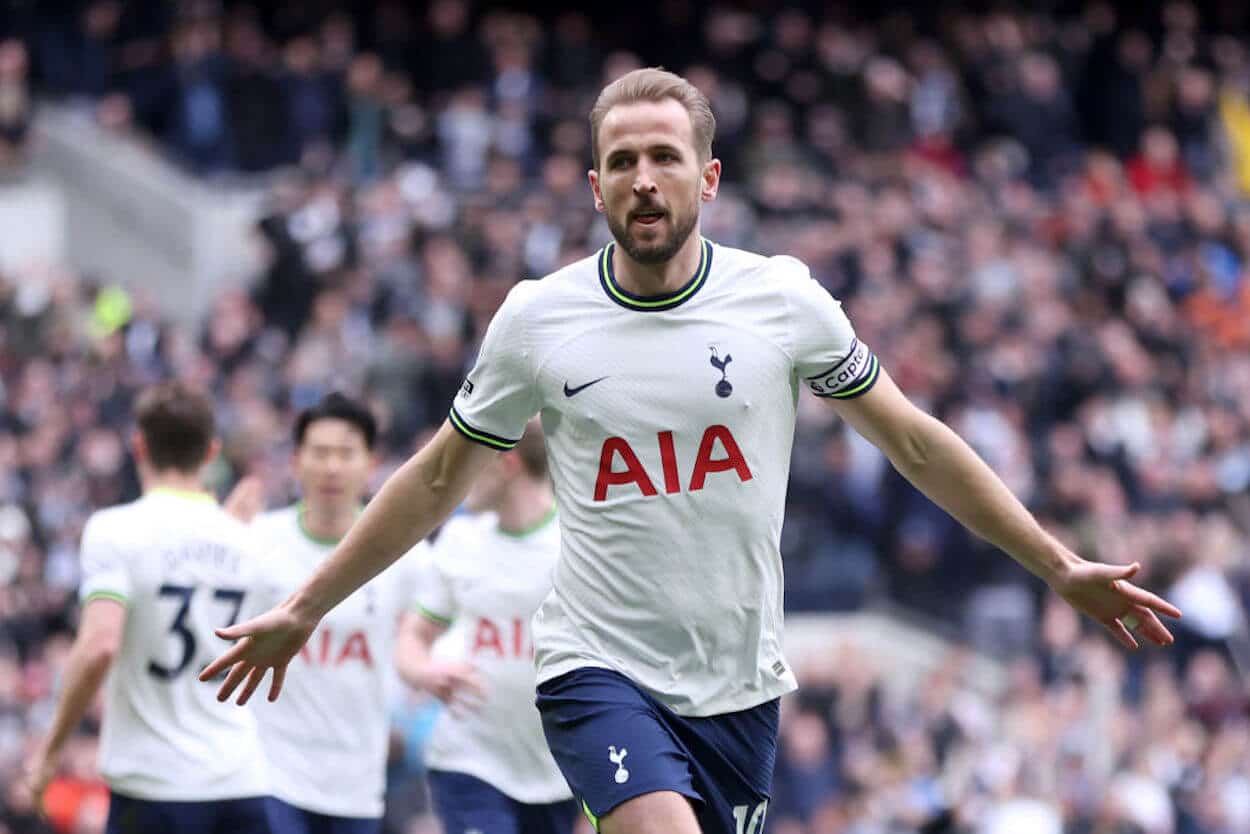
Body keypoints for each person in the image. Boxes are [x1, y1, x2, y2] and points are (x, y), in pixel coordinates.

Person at [203, 68, 1183, 834]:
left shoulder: (782, 302)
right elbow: (430, 482)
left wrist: (1055, 565)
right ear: (592, 186)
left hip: (740, 684)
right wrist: (305, 604)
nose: (642, 178)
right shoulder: (538, 320)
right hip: (596, 667)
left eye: (664, 157)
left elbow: (916, 446)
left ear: (706, 178)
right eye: (620, 160)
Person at [24, 381, 270, 834]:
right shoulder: (249, 540)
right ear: (211, 452)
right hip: (242, 783)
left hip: (156, 787)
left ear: (139, 446)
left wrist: (50, 751)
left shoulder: (115, 530)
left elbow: (99, 644)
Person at [244, 393, 421, 834]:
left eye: (345, 454)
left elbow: (424, 639)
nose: (331, 467)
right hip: (271, 773)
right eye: (319, 453)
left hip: (357, 783)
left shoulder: (402, 555)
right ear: (295, 461)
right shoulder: (256, 543)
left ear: (371, 462)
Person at [395, 419, 579, 834]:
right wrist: (425, 672)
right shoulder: (460, 539)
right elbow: (413, 636)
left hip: (561, 773)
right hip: (468, 759)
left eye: (470, 464)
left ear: (507, 463)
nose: (460, 479)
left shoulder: (575, 544)